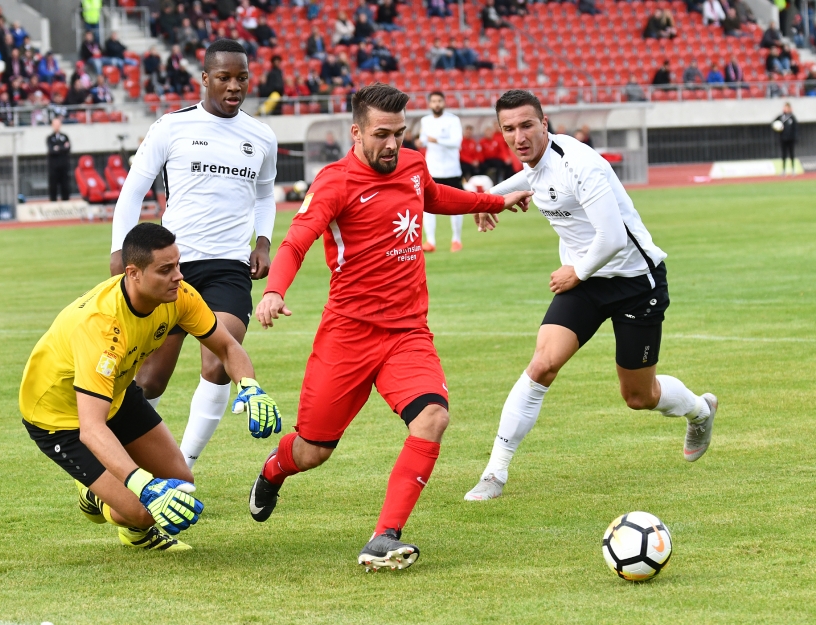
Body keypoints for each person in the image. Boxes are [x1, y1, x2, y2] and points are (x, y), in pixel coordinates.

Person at [248, 83, 532, 571]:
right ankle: (274, 469)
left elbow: (434, 196)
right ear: (356, 133)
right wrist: (274, 290)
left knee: (433, 417)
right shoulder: (334, 183)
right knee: (313, 450)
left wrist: (491, 203)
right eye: (381, 134)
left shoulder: (413, 165)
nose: (392, 144)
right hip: (347, 335)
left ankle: (384, 536)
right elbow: (296, 241)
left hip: (407, 333)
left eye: (399, 133)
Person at [464, 90, 717, 502]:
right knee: (542, 365)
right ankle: (495, 472)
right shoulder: (538, 161)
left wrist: (576, 271)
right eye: (509, 129)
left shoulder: (581, 164)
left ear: (544, 124)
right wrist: (489, 199)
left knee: (638, 396)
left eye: (527, 125)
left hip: (634, 282)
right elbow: (530, 177)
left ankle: (700, 411)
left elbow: (613, 237)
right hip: (585, 283)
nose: (519, 136)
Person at [20, 223, 280, 552]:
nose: (179, 276)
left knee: (180, 484)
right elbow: (91, 427)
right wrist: (143, 485)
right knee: (144, 508)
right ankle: (96, 498)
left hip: (115, 391)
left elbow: (227, 347)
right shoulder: (102, 326)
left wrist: (250, 386)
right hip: (58, 417)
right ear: (134, 273)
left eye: (178, 265)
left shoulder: (180, 296)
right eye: (165, 269)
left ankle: (132, 528)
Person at [109, 39, 279, 471]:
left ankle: (182, 467)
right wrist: (119, 249)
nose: (234, 86)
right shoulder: (172, 127)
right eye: (224, 77)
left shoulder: (261, 136)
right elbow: (133, 190)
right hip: (173, 267)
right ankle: (128, 463)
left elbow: (265, 195)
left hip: (229, 267)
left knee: (220, 362)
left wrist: (263, 241)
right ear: (205, 78)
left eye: (241, 78)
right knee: (149, 381)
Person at [417, 91, 464, 252]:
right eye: (434, 101)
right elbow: (424, 139)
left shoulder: (453, 120)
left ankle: (456, 240)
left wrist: (436, 140)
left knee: (456, 206)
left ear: (444, 102)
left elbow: (456, 142)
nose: (437, 104)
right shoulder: (425, 120)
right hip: (432, 169)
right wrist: (421, 141)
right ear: (429, 104)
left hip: (452, 170)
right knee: (428, 206)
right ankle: (430, 241)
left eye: (439, 101)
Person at [46, 117, 71, 201]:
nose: (56, 126)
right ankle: (53, 202)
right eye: (55, 124)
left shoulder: (65, 136)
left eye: (58, 124)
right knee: (53, 185)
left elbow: (68, 148)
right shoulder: (50, 138)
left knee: (65, 185)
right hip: (53, 167)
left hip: (64, 166)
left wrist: (58, 148)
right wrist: (62, 147)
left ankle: (66, 202)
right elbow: (51, 150)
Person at [774, 103, 798, 175]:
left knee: (791, 154)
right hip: (783, 139)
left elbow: (795, 128)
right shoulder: (780, 117)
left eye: (786, 107)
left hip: (791, 139)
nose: (785, 109)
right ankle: (783, 170)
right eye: (784, 107)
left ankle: (793, 169)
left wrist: (795, 137)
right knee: (784, 154)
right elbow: (774, 124)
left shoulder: (792, 117)